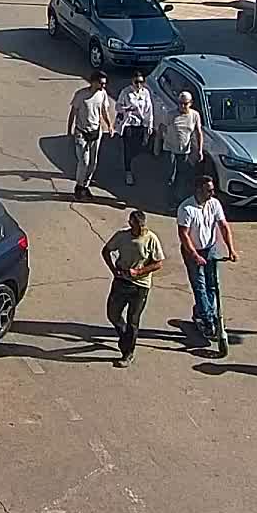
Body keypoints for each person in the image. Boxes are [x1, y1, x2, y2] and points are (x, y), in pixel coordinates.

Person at [176, 176, 237, 356]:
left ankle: (206, 314)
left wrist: (231, 249)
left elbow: (223, 226)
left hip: (210, 249)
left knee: (213, 285)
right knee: (200, 286)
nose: (212, 193)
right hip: (193, 251)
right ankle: (209, 318)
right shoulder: (186, 208)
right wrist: (194, 255)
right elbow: (184, 235)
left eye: (212, 190)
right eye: (208, 190)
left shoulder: (214, 204)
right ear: (198, 190)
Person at [101, 209, 164, 367]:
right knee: (113, 313)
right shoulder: (122, 237)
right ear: (130, 224)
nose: (141, 229)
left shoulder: (151, 239)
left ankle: (128, 353)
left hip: (140, 286)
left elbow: (158, 263)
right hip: (121, 282)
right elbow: (106, 251)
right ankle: (124, 337)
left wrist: (139, 271)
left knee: (133, 320)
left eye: (142, 226)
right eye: (137, 226)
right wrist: (114, 271)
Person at [66, 70, 115, 200]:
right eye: (101, 83)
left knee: (93, 163)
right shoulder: (81, 95)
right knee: (84, 162)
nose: (103, 86)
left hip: (96, 132)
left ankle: (85, 186)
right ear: (93, 82)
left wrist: (109, 125)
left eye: (105, 83)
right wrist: (69, 130)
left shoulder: (102, 94)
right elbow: (73, 112)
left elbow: (104, 110)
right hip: (81, 132)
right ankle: (79, 187)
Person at [115, 71, 155, 186]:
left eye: (141, 82)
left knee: (140, 145)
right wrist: (126, 109)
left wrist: (149, 125)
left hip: (141, 124)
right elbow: (118, 107)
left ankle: (133, 163)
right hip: (129, 124)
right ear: (132, 81)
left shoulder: (145, 93)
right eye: (136, 82)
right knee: (128, 148)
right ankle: (128, 171)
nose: (138, 85)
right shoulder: (126, 92)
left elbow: (149, 110)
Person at [163, 89, 204, 195]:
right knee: (170, 175)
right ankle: (170, 198)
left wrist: (199, 150)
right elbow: (162, 128)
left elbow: (198, 133)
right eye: (180, 103)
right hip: (170, 149)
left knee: (182, 176)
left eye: (185, 104)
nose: (182, 106)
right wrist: (157, 145)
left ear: (190, 103)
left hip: (184, 151)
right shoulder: (171, 114)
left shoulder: (195, 115)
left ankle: (178, 197)